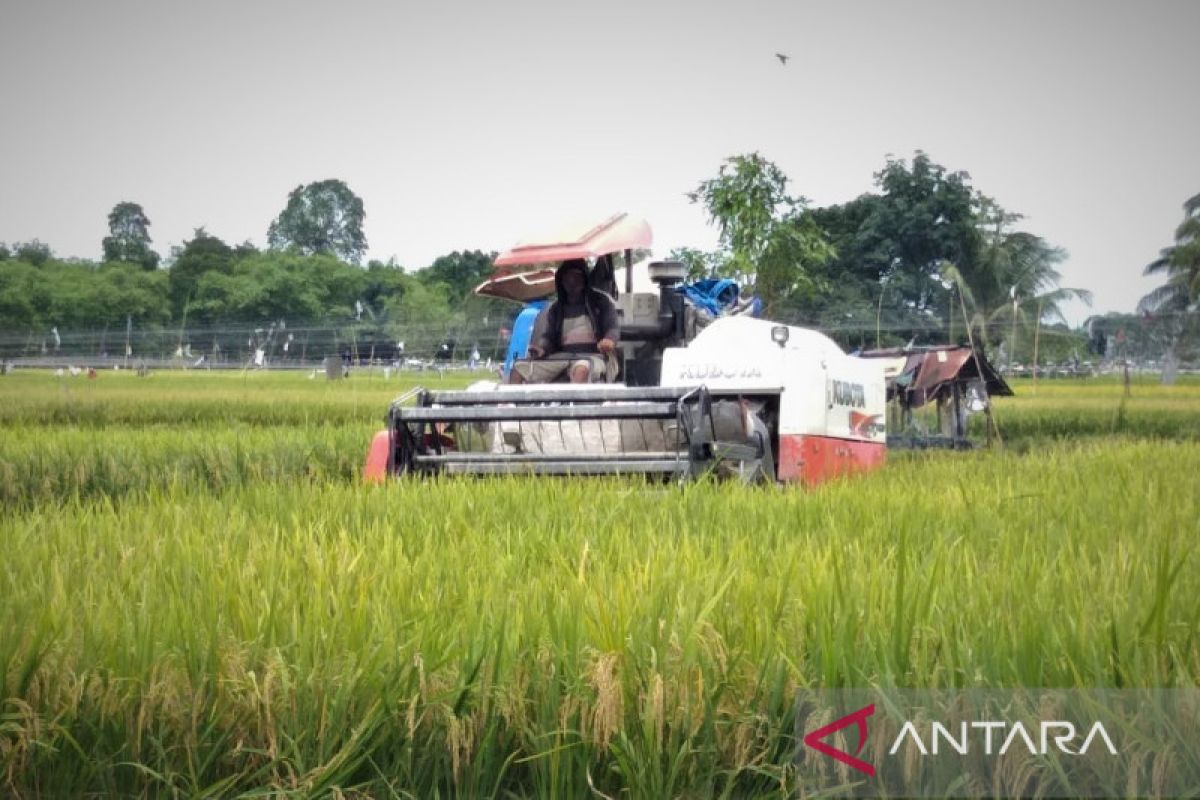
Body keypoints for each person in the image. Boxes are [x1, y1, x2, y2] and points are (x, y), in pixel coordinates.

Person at [510, 259, 618, 383]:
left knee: (581, 369)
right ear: (561, 281)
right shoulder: (556, 308)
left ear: (585, 279)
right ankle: (509, 402)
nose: (572, 282)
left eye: (576, 277)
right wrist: (542, 348)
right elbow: (548, 337)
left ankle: (575, 402)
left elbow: (613, 328)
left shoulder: (601, 302)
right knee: (518, 368)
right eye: (568, 278)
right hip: (560, 358)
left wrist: (609, 340)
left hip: (594, 357)